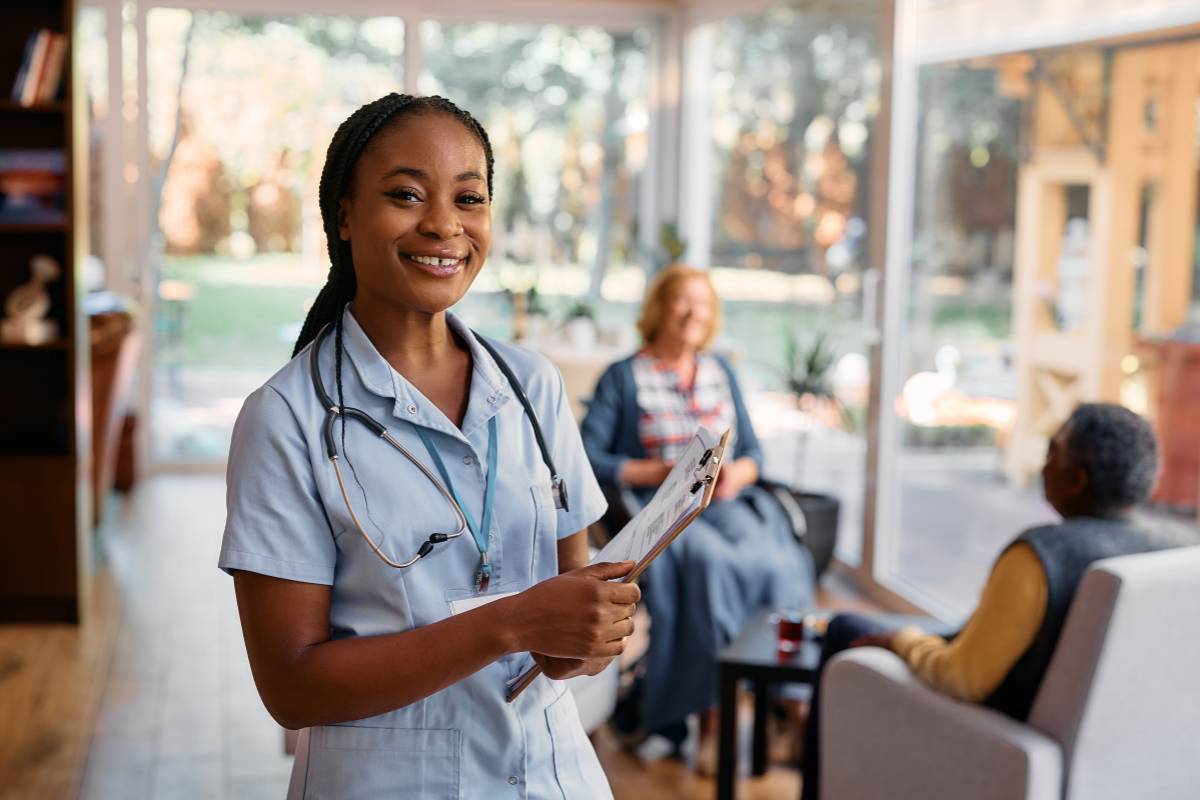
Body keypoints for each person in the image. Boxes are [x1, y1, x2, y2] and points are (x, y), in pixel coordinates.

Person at [218, 93, 641, 799]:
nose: (444, 224)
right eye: (407, 195)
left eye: (469, 198)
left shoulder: (532, 385)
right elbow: (291, 687)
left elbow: (570, 600)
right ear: (344, 215)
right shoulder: (286, 418)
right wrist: (509, 624)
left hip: (550, 774)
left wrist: (583, 636)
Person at [800, 402, 1197, 800]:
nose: (1043, 467)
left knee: (844, 630)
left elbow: (963, 680)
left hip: (987, 733)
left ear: (1077, 479)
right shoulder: (1174, 550)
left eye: (1052, 453)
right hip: (1113, 758)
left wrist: (899, 641)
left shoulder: (1041, 556)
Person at [580, 265, 815, 772]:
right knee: (709, 568)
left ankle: (797, 714)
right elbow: (590, 456)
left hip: (727, 502)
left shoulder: (719, 370)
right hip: (667, 509)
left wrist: (736, 475)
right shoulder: (624, 376)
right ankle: (714, 722)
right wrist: (665, 470)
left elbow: (752, 451)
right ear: (659, 308)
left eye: (702, 304)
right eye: (681, 301)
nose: (692, 313)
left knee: (781, 561)